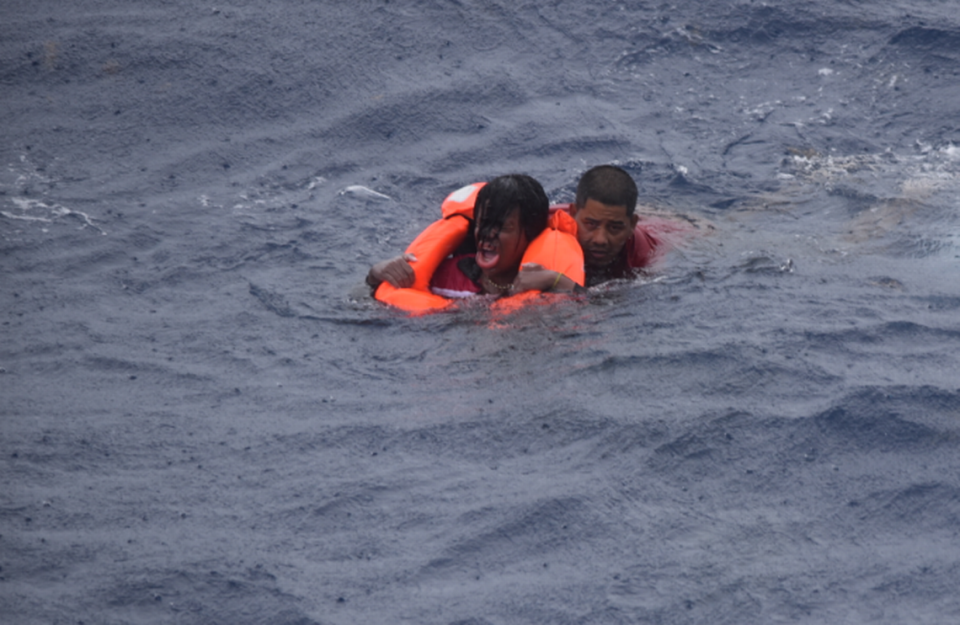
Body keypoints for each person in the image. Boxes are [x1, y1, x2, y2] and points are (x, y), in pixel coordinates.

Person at [367, 174, 579, 299]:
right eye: (482, 224)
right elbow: (359, 301)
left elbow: (597, 310)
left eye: (502, 228)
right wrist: (375, 276)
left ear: (531, 233)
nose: (487, 236)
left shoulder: (550, 286)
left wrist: (558, 281)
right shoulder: (445, 277)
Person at [557, 165, 668, 287]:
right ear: (573, 214)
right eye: (591, 224)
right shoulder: (546, 228)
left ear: (632, 225)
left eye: (614, 228)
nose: (600, 240)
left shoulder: (644, 257)